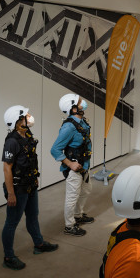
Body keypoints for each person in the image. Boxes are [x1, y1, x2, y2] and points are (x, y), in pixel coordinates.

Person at [1, 105, 58, 270]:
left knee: (33, 216)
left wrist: (34, 179)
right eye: (26, 115)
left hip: (30, 185)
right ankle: (8, 257)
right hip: (18, 189)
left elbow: (29, 160)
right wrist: (10, 193)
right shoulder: (12, 141)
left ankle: (39, 244)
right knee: (12, 222)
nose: (30, 117)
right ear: (18, 122)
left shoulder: (27, 135)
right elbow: (7, 168)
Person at [50, 94, 94, 237]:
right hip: (74, 169)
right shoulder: (69, 127)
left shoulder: (81, 122)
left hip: (84, 165)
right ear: (73, 108)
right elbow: (55, 149)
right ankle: (69, 225)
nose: (83, 103)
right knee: (72, 197)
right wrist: (70, 164)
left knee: (86, 190)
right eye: (80, 101)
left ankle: (77, 215)